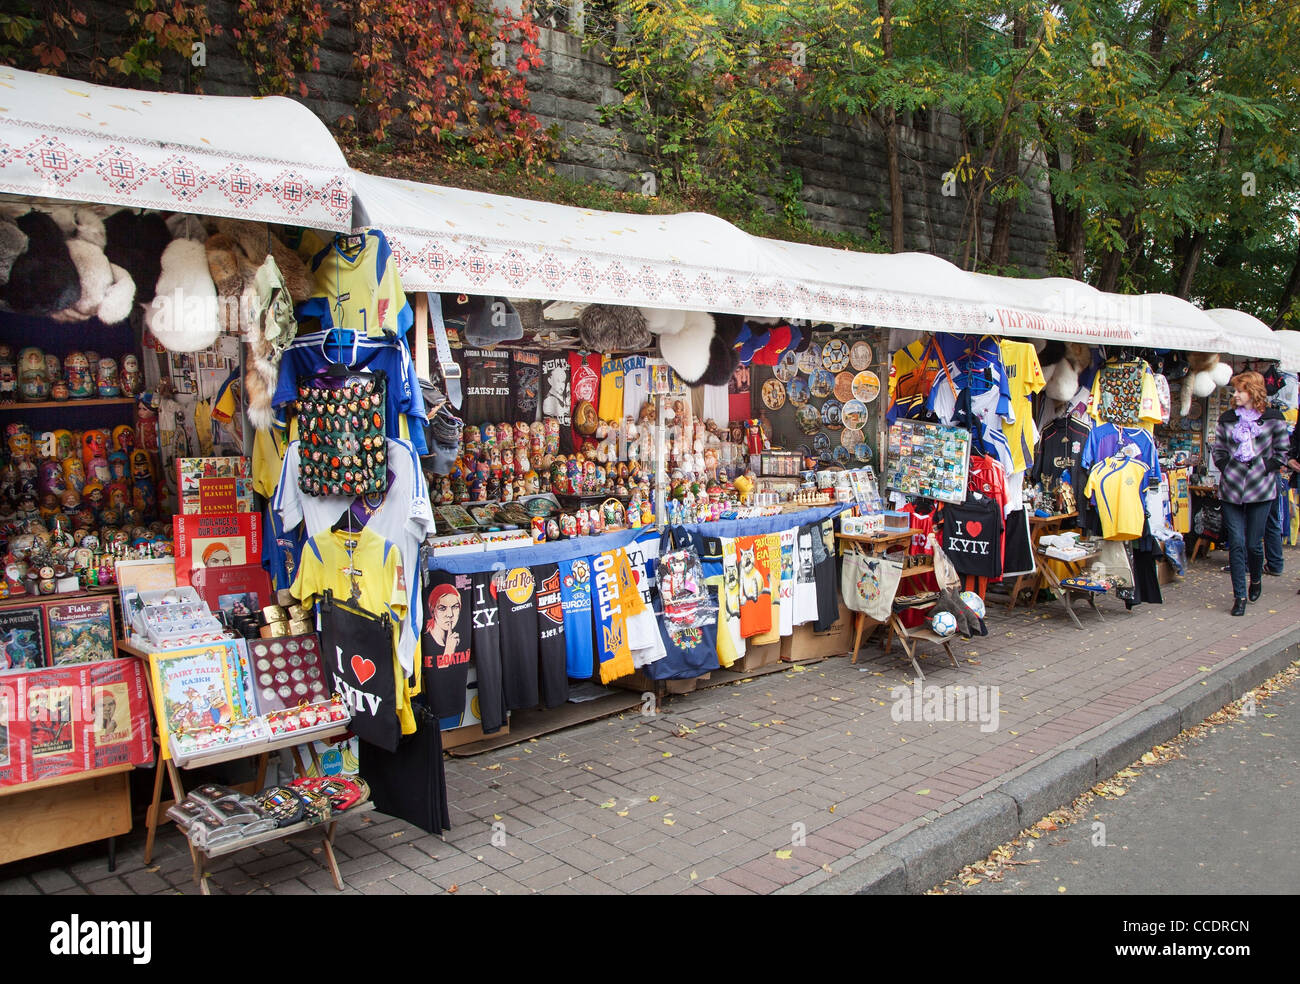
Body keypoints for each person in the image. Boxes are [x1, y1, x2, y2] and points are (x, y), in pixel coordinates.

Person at [1212, 371, 1291, 615]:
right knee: (1236, 543)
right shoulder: (1227, 419)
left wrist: (1265, 467)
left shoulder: (1273, 418)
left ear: (1253, 392)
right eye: (1235, 391)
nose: (1235, 395)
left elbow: (1282, 452)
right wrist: (1228, 468)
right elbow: (1219, 451)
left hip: (1261, 487)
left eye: (1239, 391)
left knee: (1253, 543)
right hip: (1232, 489)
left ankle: (1255, 579)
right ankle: (1240, 597)